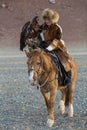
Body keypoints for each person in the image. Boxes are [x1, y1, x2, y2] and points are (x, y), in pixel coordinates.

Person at [38, 8, 72, 86]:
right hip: (46, 46)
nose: (46, 21)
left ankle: (67, 78)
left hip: (57, 47)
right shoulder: (44, 26)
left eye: (48, 19)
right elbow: (38, 31)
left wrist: (48, 48)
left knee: (64, 61)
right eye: (45, 19)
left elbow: (56, 40)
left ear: (52, 19)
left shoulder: (57, 28)